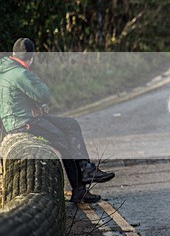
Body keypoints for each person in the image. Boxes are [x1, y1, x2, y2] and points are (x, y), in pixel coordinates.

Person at [0, 38, 114, 204]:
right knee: (64, 141)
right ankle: (80, 188)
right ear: (31, 57)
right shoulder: (20, 73)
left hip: (21, 118)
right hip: (23, 122)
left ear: (13, 53)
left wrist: (35, 106)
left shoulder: (6, 69)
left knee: (71, 125)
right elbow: (44, 94)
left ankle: (86, 168)